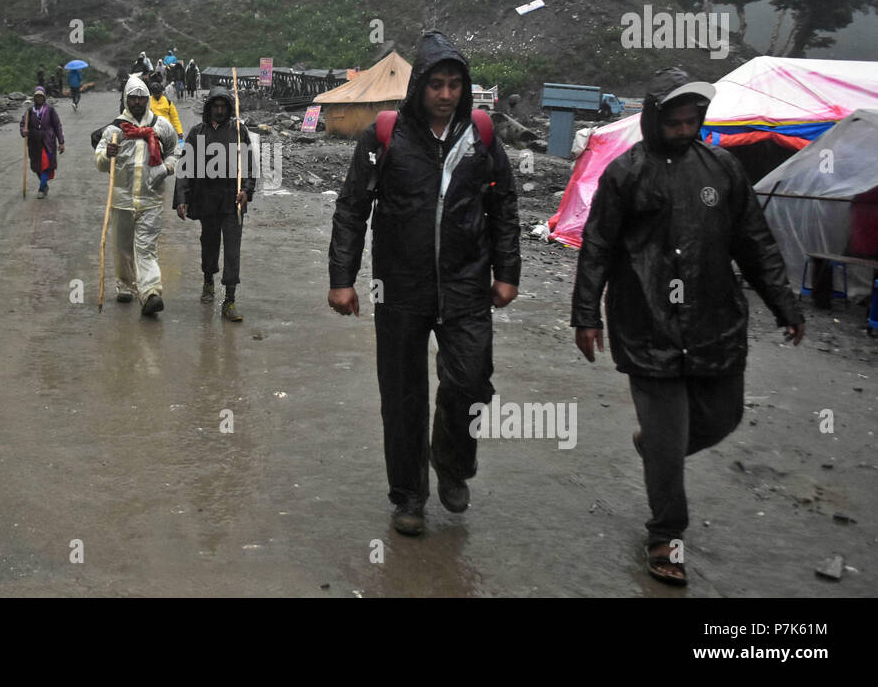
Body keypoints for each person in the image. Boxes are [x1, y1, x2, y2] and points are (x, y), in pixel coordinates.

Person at [570, 67, 805, 586]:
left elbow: (755, 242)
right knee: (668, 433)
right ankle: (665, 537)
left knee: (723, 416)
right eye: (673, 121)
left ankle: (655, 448)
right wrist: (585, 314)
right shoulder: (624, 173)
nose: (682, 129)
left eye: (690, 120)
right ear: (655, 120)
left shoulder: (723, 169)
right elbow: (598, 247)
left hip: (714, 320)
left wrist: (785, 304)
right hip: (645, 322)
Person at [327, 30, 521, 537]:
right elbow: (352, 207)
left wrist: (508, 273)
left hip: (466, 287)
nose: (445, 93)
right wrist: (342, 279)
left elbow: (503, 209)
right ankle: (409, 496)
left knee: (470, 381)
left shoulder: (481, 137)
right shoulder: (385, 136)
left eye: (455, 84)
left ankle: (453, 465)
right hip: (399, 290)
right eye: (436, 83)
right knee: (403, 396)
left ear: (465, 87)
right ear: (420, 87)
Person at [95, 75, 179, 316]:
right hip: (121, 200)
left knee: (146, 248)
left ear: (147, 100)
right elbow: (100, 162)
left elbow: (176, 151)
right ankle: (125, 285)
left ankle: (151, 292)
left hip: (151, 199)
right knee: (122, 247)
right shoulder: (116, 129)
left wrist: (165, 168)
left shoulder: (161, 126)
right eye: (132, 98)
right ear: (125, 99)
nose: (137, 102)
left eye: (141, 98)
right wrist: (106, 155)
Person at [174, 87, 256, 321]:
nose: (219, 111)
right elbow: (185, 167)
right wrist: (182, 197)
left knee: (232, 250)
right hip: (207, 199)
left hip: (233, 201)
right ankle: (208, 281)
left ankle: (229, 300)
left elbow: (250, 165)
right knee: (209, 244)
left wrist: (246, 190)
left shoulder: (239, 132)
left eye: (223, 107)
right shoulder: (197, 133)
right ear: (209, 108)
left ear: (229, 108)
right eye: (215, 106)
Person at [21, 87, 64, 198]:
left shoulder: (50, 110)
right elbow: (23, 123)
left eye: (41, 96)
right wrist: (24, 131)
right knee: (37, 167)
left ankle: (41, 188)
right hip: (34, 143)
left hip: (48, 142)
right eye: (37, 96)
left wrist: (61, 142)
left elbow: (57, 125)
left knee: (46, 165)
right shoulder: (30, 111)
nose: (39, 98)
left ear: (44, 97)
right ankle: (44, 184)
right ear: (34, 98)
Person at [147, 78, 184, 145]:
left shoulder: (168, 102)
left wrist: (179, 131)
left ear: (162, 92)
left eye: (159, 93)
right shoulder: (147, 102)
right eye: (155, 93)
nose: (157, 95)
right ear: (152, 93)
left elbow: (174, 118)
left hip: (166, 131)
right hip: (152, 131)